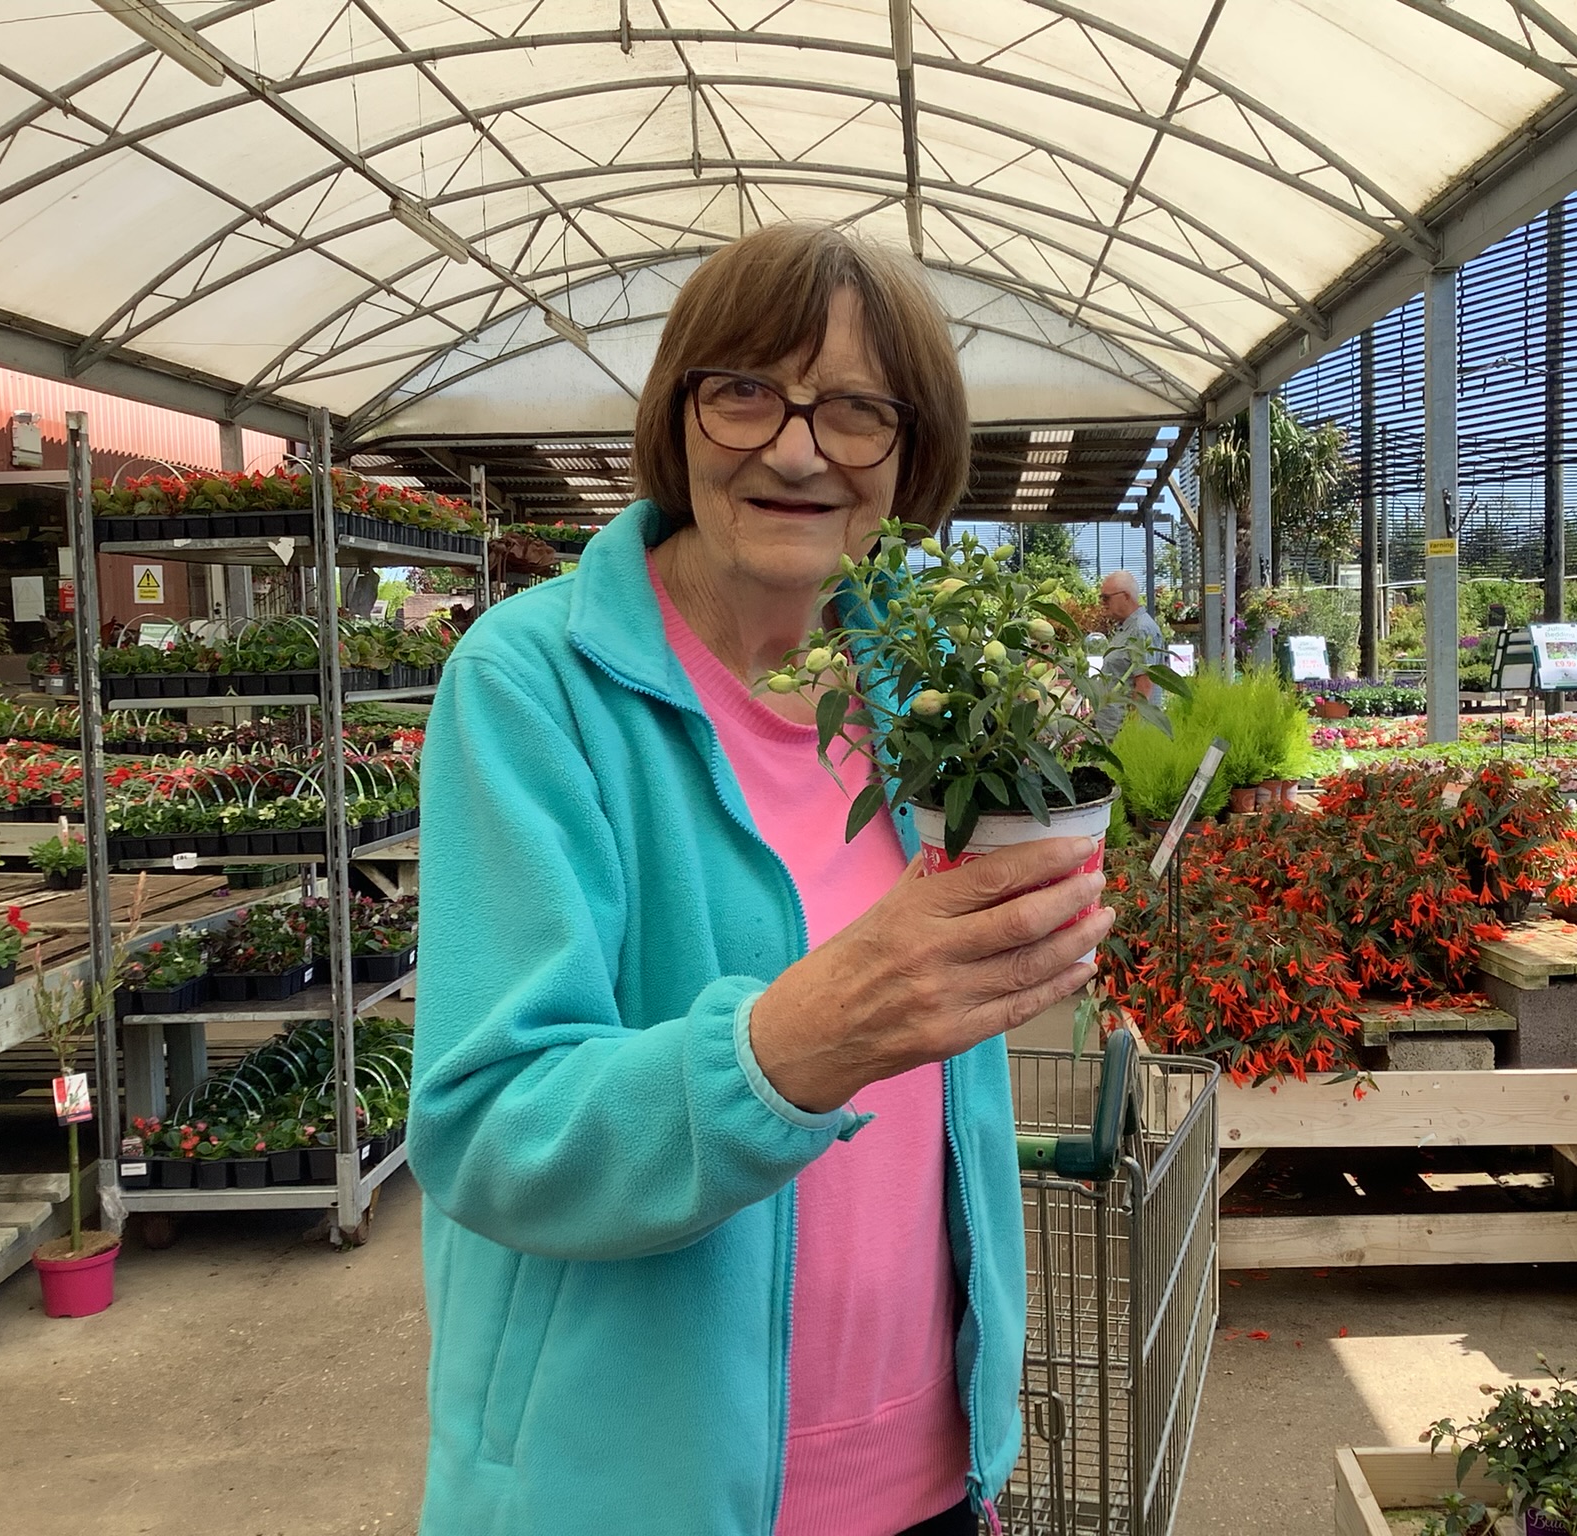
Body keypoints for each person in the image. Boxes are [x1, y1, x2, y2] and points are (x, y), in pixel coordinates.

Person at [408, 223, 1112, 1536]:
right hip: (632, 1495)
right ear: (679, 421)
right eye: (745, 393)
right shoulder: (533, 688)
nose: (795, 449)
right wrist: (795, 1043)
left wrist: (974, 1443)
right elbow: (487, 1127)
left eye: (855, 410)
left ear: (909, 457)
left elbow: (938, 1109)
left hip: (928, 1479)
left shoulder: (926, 700)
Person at [1092, 569, 1167, 738]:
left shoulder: (1141, 629)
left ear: (1125, 596)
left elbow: (1145, 683)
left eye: (1106, 597)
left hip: (1124, 735)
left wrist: (1130, 733)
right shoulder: (1127, 628)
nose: (1102, 603)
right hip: (1113, 732)